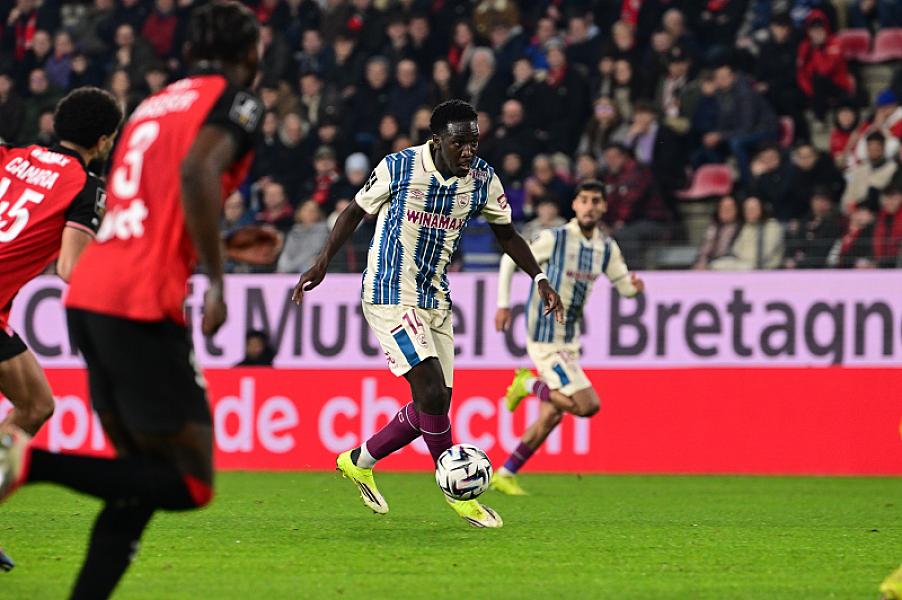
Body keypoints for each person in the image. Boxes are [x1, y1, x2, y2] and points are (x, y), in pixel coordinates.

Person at [0, 4, 263, 598]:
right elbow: (197, 173)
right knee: (189, 483)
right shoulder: (234, 101)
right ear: (249, 52)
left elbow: (146, 214)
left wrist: (216, 244)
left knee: (135, 483)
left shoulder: (154, 104)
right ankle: (23, 460)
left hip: (93, 297)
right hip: (139, 303)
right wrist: (217, 280)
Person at [291, 99, 563, 528]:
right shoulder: (400, 167)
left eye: (474, 142)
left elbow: (507, 234)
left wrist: (540, 278)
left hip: (435, 297)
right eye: (459, 143)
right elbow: (355, 211)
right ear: (436, 141)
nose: (468, 151)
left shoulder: (482, 180)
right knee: (432, 391)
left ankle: (359, 460)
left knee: (433, 406)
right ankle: (458, 491)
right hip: (389, 290)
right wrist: (323, 261)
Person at [0, 87, 121, 571]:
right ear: (104, 140)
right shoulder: (86, 187)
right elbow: (72, 268)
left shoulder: (12, 156)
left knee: (36, 404)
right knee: (34, 407)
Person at [491, 180, 644, 495]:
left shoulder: (606, 248)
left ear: (604, 206)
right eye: (584, 200)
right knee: (586, 405)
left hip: (569, 339)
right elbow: (509, 259)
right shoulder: (556, 238)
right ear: (574, 205)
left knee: (552, 414)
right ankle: (527, 384)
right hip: (545, 336)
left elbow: (624, 286)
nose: (590, 206)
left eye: (596, 201)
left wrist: (634, 289)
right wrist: (503, 304)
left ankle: (505, 474)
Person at [710, 196, 784, 271]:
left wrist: (742, 258)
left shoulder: (772, 226)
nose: (749, 212)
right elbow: (736, 249)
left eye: (753, 209)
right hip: (743, 263)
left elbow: (764, 254)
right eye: (747, 209)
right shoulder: (746, 226)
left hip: (765, 268)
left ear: (761, 209)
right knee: (716, 265)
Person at [694, 195, 742, 269]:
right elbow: (704, 250)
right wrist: (701, 263)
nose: (726, 211)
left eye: (730, 208)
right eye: (723, 207)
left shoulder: (742, 228)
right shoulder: (713, 227)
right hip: (709, 266)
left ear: (736, 210)